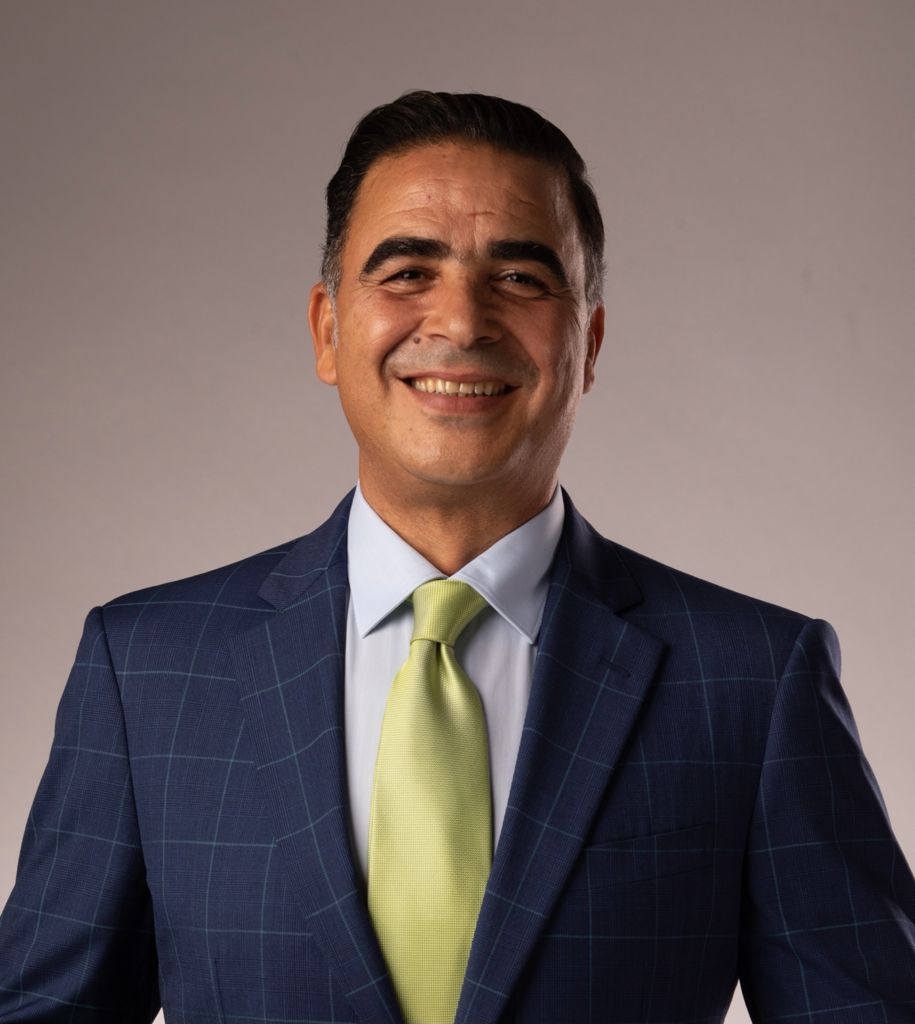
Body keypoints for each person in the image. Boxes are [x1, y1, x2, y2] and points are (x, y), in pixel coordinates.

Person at [1, 90, 912, 1024]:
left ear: (588, 342)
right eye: (406, 272)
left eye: (519, 277)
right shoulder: (147, 669)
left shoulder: (752, 679)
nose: (462, 321)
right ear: (327, 329)